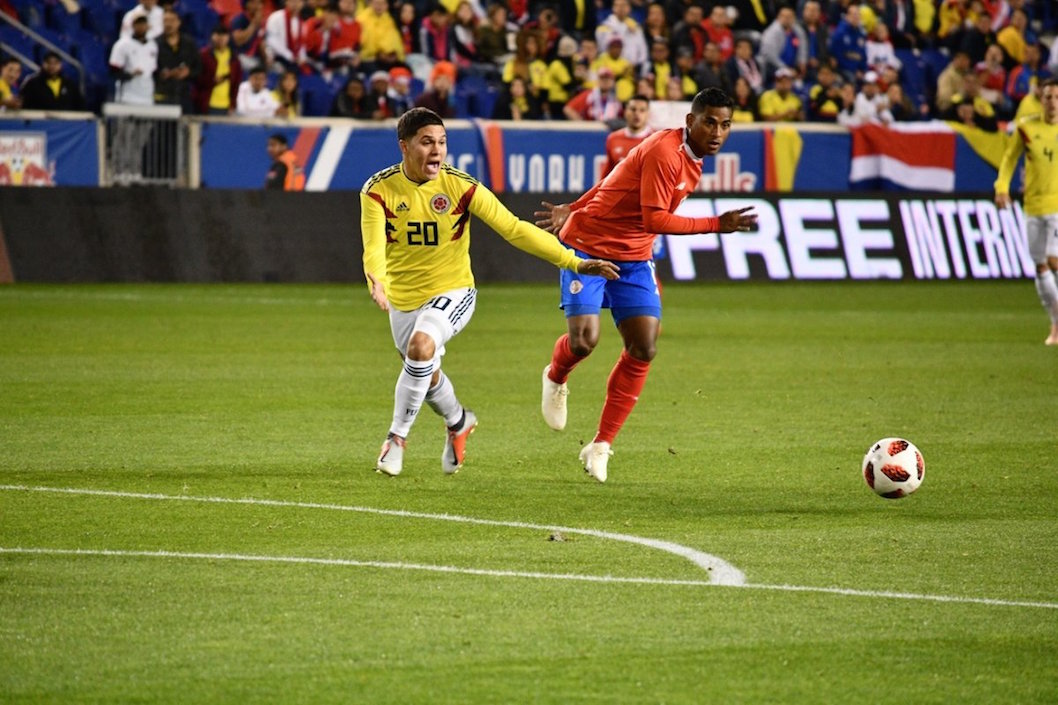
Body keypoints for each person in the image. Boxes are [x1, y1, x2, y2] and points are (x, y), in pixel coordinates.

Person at [360, 107, 619, 476]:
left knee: (420, 349)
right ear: (404, 146)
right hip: (403, 298)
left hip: (454, 291)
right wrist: (378, 280)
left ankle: (396, 439)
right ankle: (459, 420)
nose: (436, 150)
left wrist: (573, 261)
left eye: (442, 142)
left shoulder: (460, 186)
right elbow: (373, 247)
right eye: (426, 142)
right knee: (425, 371)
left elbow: (513, 228)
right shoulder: (378, 189)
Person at [534, 88, 757, 482]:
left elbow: (616, 179)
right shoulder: (665, 151)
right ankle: (555, 376)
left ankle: (601, 445)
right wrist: (716, 225)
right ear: (690, 121)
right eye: (709, 122)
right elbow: (655, 220)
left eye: (725, 124)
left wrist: (577, 202)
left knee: (644, 346)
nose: (718, 132)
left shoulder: (693, 158)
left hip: (635, 258)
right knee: (584, 341)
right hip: (588, 247)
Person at [995, 78, 1058, 344]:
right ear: (1040, 99)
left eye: (1056, 97)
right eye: (1048, 97)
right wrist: (1002, 187)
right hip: (1032, 205)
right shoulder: (1026, 128)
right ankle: (1056, 325)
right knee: (1040, 265)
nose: (1052, 102)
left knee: (1053, 259)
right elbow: (1009, 159)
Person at [153, 7, 201, 112]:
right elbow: (149, 69)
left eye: (172, 21)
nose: (168, 24)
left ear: (179, 22)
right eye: (165, 21)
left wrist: (188, 73)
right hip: (162, 96)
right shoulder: (154, 44)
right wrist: (161, 74)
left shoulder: (189, 44)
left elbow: (198, 69)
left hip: (184, 96)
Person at [110, 15, 158, 106]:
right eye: (138, 24)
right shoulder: (122, 44)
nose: (141, 26)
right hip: (127, 95)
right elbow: (114, 71)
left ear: (148, 25)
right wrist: (130, 74)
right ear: (132, 25)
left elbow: (154, 70)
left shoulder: (153, 45)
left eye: (143, 23)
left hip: (147, 95)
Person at [602, 94, 652, 177]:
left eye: (642, 110)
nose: (637, 114)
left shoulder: (655, 140)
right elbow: (608, 174)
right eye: (633, 109)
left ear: (648, 114)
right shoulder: (613, 138)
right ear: (625, 112)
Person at [196, 24, 242, 115]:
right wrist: (212, 81)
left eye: (224, 35)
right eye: (218, 34)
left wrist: (232, 104)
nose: (221, 38)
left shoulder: (234, 58)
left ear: (228, 37)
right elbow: (197, 79)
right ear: (212, 36)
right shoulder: (204, 56)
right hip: (207, 104)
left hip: (226, 105)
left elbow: (236, 83)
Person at [20, 51, 84, 111]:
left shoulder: (69, 84)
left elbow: (80, 105)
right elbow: (24, 104)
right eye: (48, 62)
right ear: (43, 64)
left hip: (66, 122)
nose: (52, 66)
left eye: (55, 63)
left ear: (60, 65)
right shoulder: (32, 83)